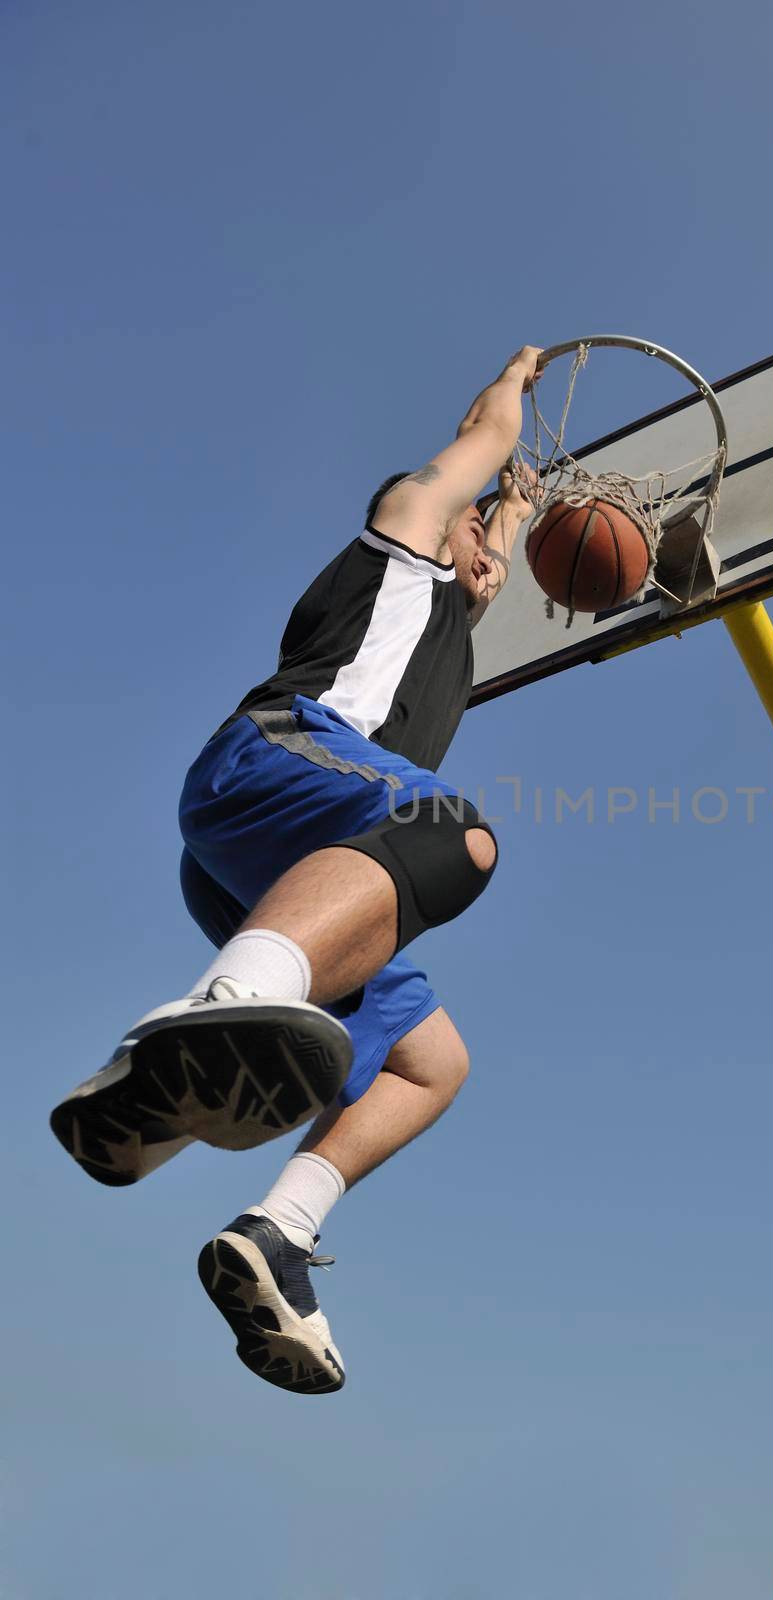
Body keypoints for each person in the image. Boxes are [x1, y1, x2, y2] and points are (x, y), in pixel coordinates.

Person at [50, 345, 545, 1394]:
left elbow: (483, 561)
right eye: (464, 517)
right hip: (269, 761)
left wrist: (512, 527)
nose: (471, 528)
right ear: (424, 515)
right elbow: (479, 448)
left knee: (430, 1064)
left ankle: (275, 1233)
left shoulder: (444, 612)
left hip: (287, 868)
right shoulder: (401, 532)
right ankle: (208, 1017)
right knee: (454, 833)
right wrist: (512, 387)